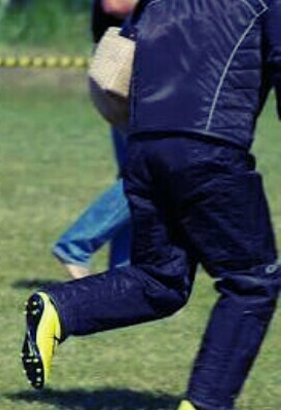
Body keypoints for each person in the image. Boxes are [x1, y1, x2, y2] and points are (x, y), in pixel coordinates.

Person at [22, 0, 281, 409]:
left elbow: (118, 48)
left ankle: (61, 307)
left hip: (143, 148)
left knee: (160, 279)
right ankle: (206, 403)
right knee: (252, 280)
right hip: (208, 148)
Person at [51, 0, 137, 280]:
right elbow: (114, 4)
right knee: (147, 176)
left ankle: (123, 275)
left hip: (134, 64)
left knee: (134, 175)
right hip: (130, 66)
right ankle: (76, 245)